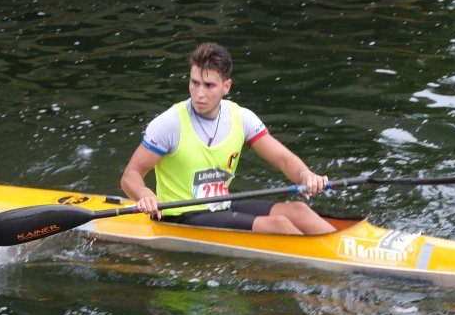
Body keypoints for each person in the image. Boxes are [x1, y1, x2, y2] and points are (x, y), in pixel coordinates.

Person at [120, 42, 334, 235]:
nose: (199, 93)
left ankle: (347, 253)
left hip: (221, 206)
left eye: (209, 85)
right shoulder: (169, 123)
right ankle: (326, 263)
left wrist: (305, 175)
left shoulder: (241, 117)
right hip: (179, 215)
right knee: (278, 225)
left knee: (298, 210)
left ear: (226, 87)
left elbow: (283, 159)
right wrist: (144, 194)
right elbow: (130, 176)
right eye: (194, 82)